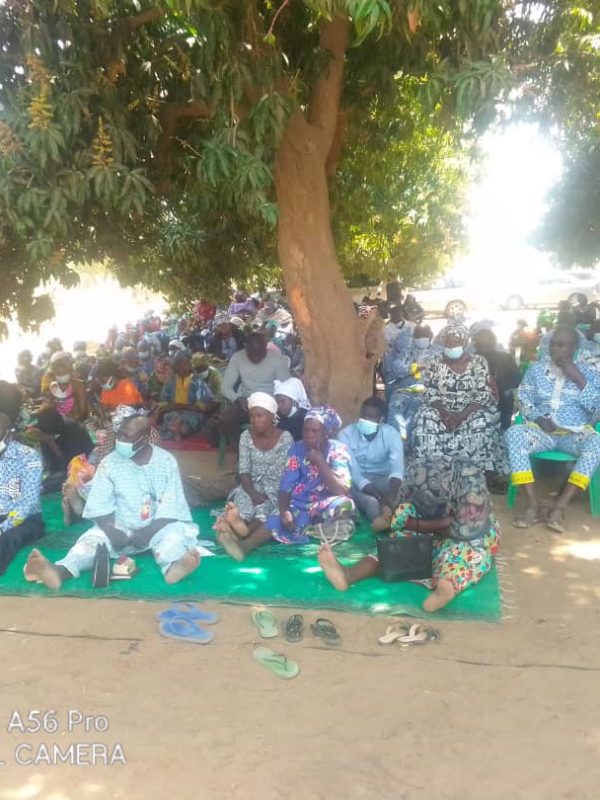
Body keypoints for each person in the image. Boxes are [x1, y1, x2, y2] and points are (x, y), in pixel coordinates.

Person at [25, 415, 203, 588]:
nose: (122, 441)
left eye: (129, 437)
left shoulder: (165, 462)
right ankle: (59, 571)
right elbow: (99, 504)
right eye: (120, 435)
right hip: (118, 525)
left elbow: (170, 507)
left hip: (157, 525)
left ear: (145, 439)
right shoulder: (110, 462)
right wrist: (111, 530)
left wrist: (148, 531)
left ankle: (174, 566)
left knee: (173, 536)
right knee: (89, 543)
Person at [318, 458, 500, 613]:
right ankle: (348, 575)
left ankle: (447, 586)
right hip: (433, 529)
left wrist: (420, 524)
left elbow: (462, 531)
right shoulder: (419, 473)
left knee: (463, 555)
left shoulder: (471, 490)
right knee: (393, 546)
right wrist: (413, 523)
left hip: (467, 537)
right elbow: (403, 506)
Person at [217, 407, 354, 561]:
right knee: (277, 516)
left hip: (325, 502)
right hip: (300, 503)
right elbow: (285, 486)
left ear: (326, 433)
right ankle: (244, 547)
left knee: (344, 504)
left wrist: (320, 462)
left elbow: (342, 490)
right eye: (306, 430)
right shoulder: (297, 448)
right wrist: (284, 511)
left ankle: (320, 534)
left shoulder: (337, 450)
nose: (308, 435)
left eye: (314, 431)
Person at [505, 326, 600, 532]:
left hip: (574, 435)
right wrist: (538, 418)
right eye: (553, 344)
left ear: (574, 347)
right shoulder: (536, 370)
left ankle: (559, 507)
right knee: (513, 434)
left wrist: (577, 377)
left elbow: (597, 407)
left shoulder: (590, 373)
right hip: (542, 433)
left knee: (597, 443)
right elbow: (523, 398)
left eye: (561, 345)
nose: (555, 349)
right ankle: (533, 505)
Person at [412, 322, 506, 474]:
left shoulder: (478, 362)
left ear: (464, 342)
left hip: (471, 410)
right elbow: (430, 390)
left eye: (455, 342)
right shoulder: (434, 361)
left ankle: (475, 472)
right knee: (424, 418)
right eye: (448, 342)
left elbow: (483, 393)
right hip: (441, 410)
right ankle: (433, 470)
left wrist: (462, 415)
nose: (451, 346)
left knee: (482, 421)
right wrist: (444, 413)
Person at [215, 393, 293, 538]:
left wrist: (262, 495)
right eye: (252, 416)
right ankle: (238, 526)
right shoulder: (246, 436)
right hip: (249, 485)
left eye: (260, 416)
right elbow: (243, 470)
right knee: (244, 506)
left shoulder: (285, 438)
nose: (255, 420)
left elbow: (280, 472)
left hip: (275, 489)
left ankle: (242, 533)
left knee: (265, 510)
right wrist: (252, 493)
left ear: (272, 416)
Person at [338, 396, 404, 527]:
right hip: (355, 483)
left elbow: (397, 470)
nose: (366, 419)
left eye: (372, 416)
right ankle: (382, 523)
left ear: (381, 420)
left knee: (402, 489)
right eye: (363, 415)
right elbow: (354, 471)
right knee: (372, 504)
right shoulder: (345, 435)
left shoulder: (391, 435)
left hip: (381, 479)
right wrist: (377, 496)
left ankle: (390, 514)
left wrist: (390, 495)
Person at [219, 333, 290, 451]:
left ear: (265, 346)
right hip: (247, 401)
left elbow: (285, 387)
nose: (257, 357)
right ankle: (243, 454)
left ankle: (272, 454)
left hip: (272, 401)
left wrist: (274, 403)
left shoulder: (277, 359)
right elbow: (225, 386)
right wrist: (237, 399)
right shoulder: (238, 357)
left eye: (260, 352)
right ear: (245, 347)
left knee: (285, 421)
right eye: (253, 353)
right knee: (226, 420)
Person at [0, 413, 45, 576]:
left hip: (25, 520)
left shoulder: (27, 457)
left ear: (9, 434)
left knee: (6, 540)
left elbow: (28, 504)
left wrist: (2, 528)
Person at [33, 407, 94, 493]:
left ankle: (42, 488)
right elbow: (48, 458)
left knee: (58, 480)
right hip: (59, 464)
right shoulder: (48, 428)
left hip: (80, 465)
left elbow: (70, 464)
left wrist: (51, 443)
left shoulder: (75, 432)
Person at [472, 328, 521, 430]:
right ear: (475, 345)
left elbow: (517, 378)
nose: (483, 347)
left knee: (507, 394)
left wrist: (499, 385)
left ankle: (504, 428)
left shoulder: (504, 358)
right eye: (480, 344)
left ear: (493, 343)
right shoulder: (470, 360)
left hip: (500, 394)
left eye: (486, 344)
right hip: (475, 396)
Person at [158, 352, 215, 440]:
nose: (181, 367)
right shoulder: (171, 381)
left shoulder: (197, 381)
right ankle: (178, 429)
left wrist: (180, 406)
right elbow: (163, 405)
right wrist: (173, 407)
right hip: (174, 411)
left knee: (189, 418)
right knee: (170, 416)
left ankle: (178, 429)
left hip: (192, 412)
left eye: (184, 363)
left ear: (189, 364)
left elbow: (201, 408)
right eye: (178, 364)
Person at [41, 351, 87, 421]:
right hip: (58, 421)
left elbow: (83, 410)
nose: (62, 372)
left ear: (70, 369)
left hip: (74, 420)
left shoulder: (78, 386)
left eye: (65, 369)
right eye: (59, 373)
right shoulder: (51, 386)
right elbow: (47, 404)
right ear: (53, 372)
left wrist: (76, 420)